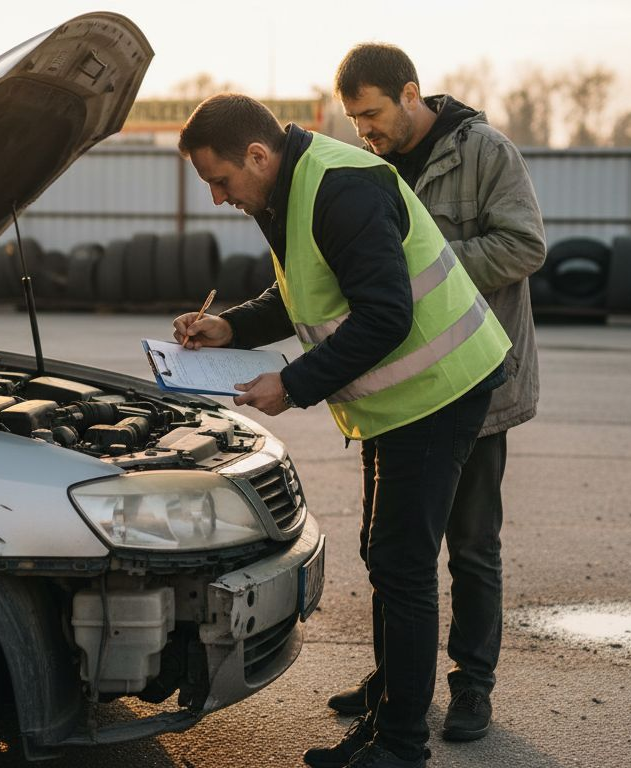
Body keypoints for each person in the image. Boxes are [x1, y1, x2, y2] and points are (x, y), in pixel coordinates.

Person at [171, 93, 511, 768]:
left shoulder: (339, 187)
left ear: (258, 155)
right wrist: (232, 326)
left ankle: (402, 745)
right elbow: (309, 295)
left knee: (403, 566)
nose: (215, 197)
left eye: (220, 179)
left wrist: (292, 385)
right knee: (385, 556)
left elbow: (385, 317)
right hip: (400, 400)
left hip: (440, 391)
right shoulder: (292, 190)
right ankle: (388, 714)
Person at [323, 43, 547, 744]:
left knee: (472, 547)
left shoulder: (484, 152)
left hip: (472, 390)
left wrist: (426, 271)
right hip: (396, 391)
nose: (364, 130)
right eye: (354, 119)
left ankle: (473, 687)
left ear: (411, 93)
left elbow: (523, 245)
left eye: (372, 114)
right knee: (386, 548)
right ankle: (394, 681)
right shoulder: (370, 166)